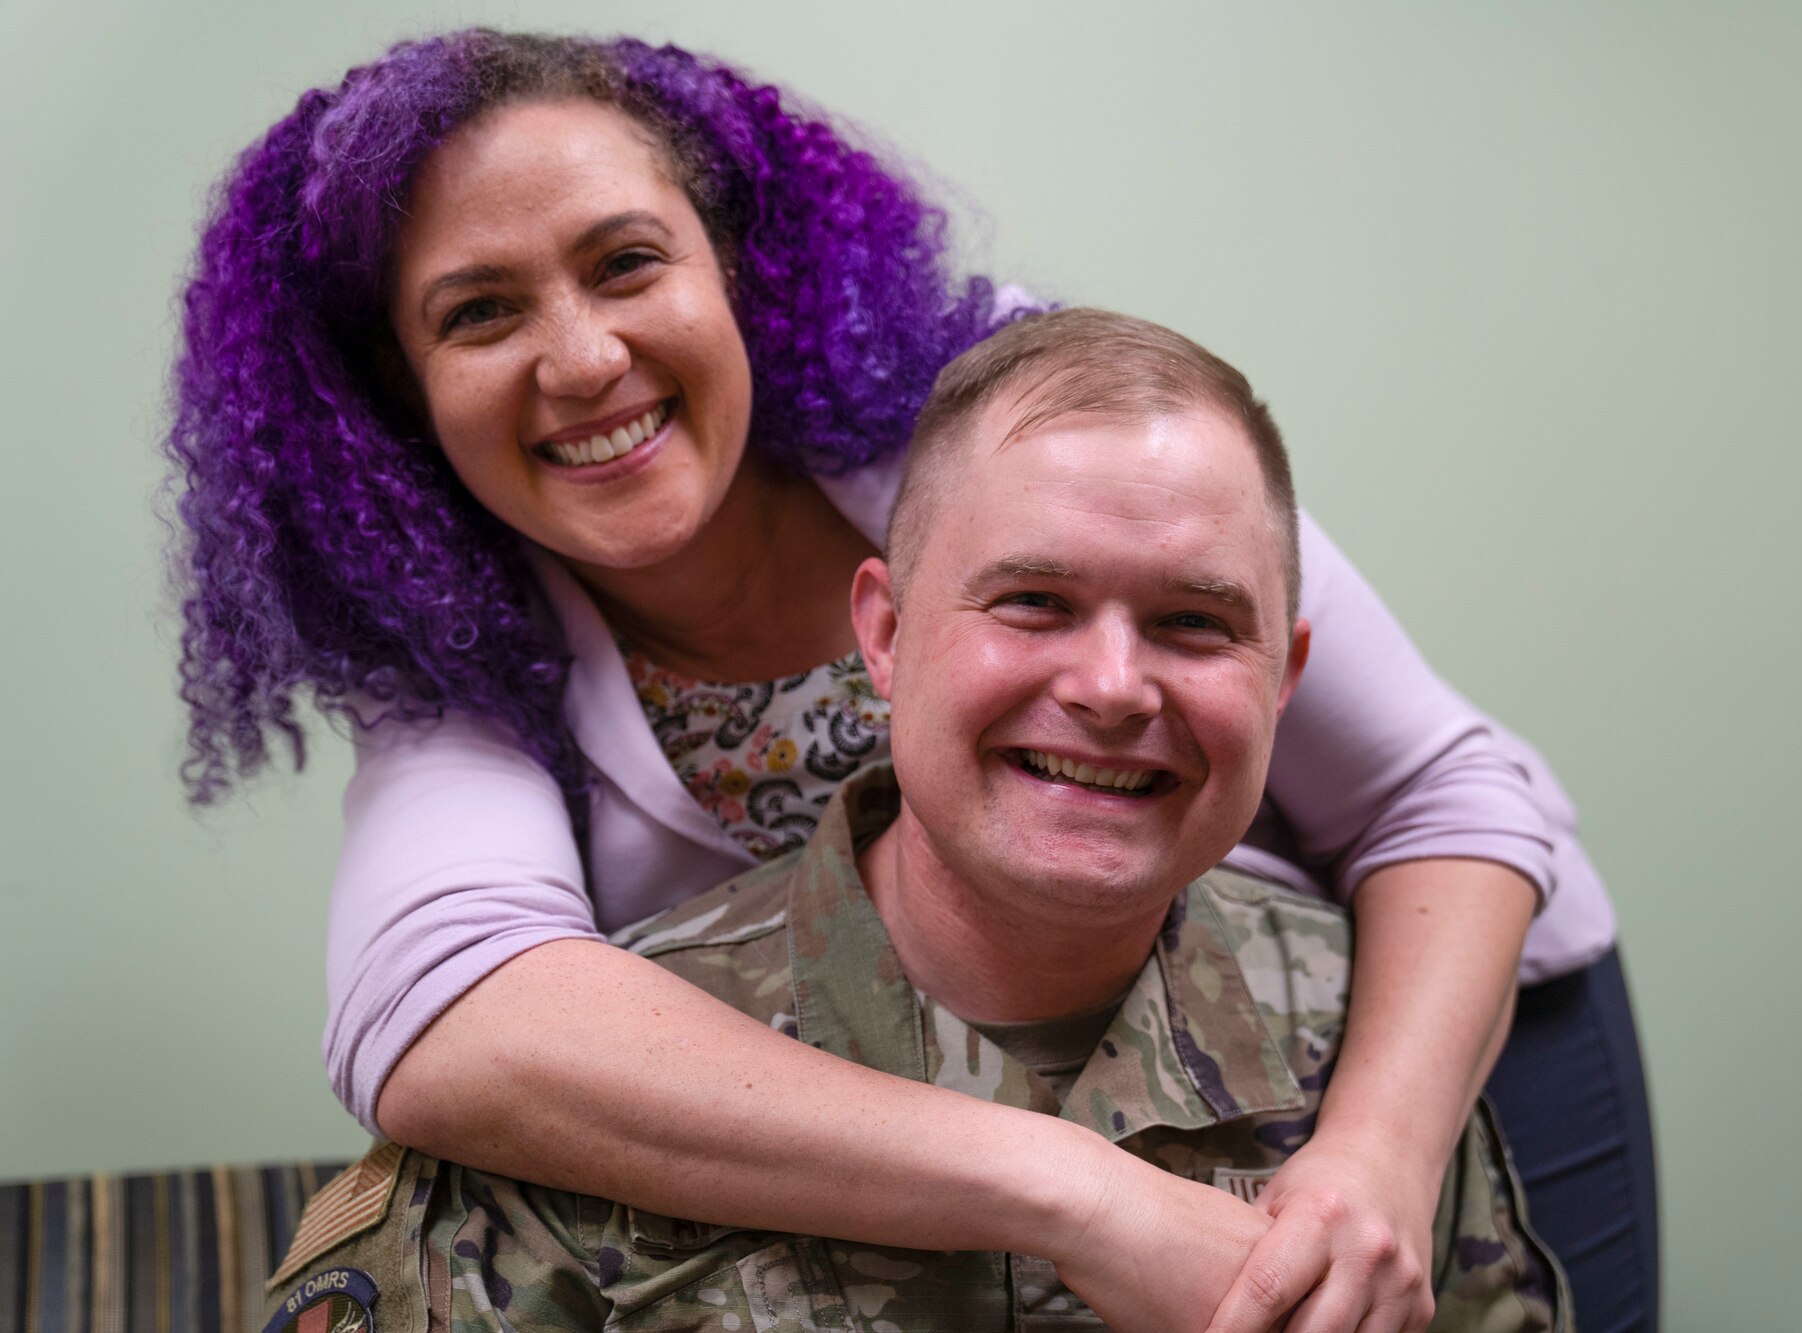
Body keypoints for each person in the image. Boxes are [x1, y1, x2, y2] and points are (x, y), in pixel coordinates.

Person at [169, 28, 1651, 1333]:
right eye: (478, 311)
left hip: (1395, 1024)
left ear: (732, 264)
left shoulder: (1007, 413)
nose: (581, 356)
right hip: (982, 1114)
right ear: (398, 394)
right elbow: (440, 1023)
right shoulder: (453, 658)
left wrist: (1379, 1154)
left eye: (626, 261)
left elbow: (1442, 791)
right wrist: (1073, 1190)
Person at [262, 308, 1568, 1333]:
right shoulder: (595, 1108)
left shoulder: (1374, 1053)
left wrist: (1386, 1147)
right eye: (1033, 602)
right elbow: (425, 1004)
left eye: (1191, 622)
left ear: (1284, 680)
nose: (1112, 688)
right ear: (883, 634)